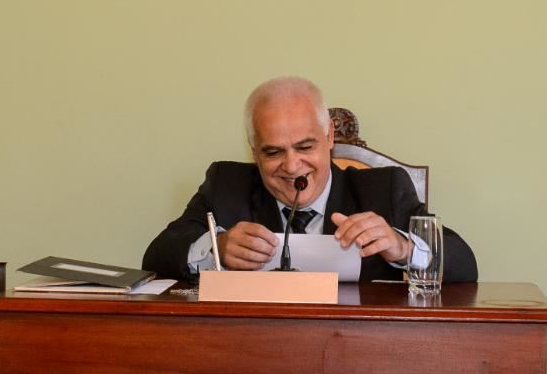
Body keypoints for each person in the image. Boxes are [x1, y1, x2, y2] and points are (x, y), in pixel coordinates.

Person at [142, 75, 477, 283]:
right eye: (273, 152)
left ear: (329, 137)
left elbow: (464, 263)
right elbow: (157, 256)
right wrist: (216, 248)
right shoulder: (227, 185)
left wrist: (402, 247)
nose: (292, 166)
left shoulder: (383, 190)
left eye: (305, 147)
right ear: (254, 151)